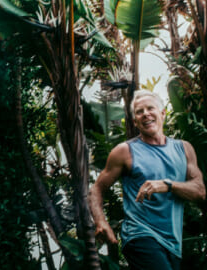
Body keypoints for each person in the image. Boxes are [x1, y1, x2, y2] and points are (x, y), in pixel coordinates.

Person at [88, 90, 206, 270]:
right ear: (135, 122)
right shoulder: (125, 151)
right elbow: (97, 188)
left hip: (172, 242)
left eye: (150, 108)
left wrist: (167, 185)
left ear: (163, 113)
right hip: (140, 236)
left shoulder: (184, 149)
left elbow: (199, 192)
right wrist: (100, 221)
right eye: (139, 112)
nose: (145, 114)